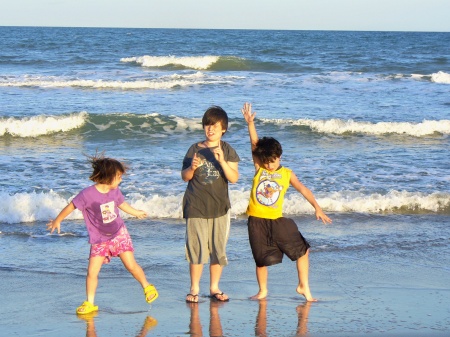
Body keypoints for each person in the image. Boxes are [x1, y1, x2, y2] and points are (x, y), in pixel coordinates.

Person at [241, 102, 332, 301]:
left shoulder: (287, 174)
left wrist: (317, 207)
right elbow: (254, 145)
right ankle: (263, 290)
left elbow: (303, 189)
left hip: (277, 220)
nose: (269, 165)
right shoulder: (260, 169)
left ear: (279, 157)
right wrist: (250, 124)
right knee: (260, 259)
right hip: (256, 220)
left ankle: (303, 286)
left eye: (272, 161)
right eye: (265, 161)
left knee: (303, 250)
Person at [47, 153, 158, 314]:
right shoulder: (87, 194)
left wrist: (135, 212)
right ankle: (90, 303)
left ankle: (147, 287)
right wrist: (58, 220)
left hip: (119, 233)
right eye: (119, 176)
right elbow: (71, 206)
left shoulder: (115, 191)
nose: (121, 180)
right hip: (99, 239)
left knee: (131, 265)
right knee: (92, 272)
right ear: (109, 176)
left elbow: (122, 204)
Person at [181, 106, 240, 303]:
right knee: (196, 249)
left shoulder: (228, 150)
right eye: (207, 125)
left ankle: (214, 287)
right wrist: (191, 167)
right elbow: (184, 177)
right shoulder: (194, 148)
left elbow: (234, 178)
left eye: (214, 125)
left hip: (220, 207)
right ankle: (194, 289)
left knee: (217, 249)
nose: (210, 129)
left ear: (223, 128)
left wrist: (222, 161)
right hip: (195, 205)